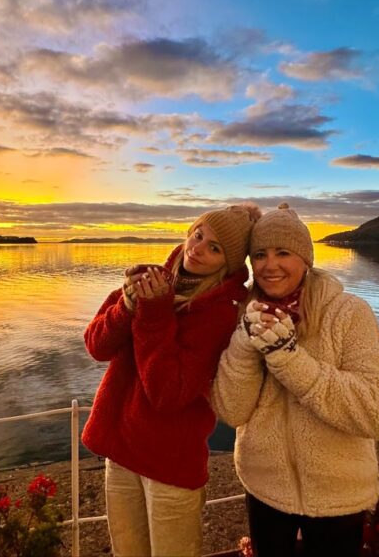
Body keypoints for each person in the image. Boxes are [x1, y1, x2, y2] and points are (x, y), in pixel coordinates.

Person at [211, 203, 379, 557]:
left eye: (283, 252)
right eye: (261, 254)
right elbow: (233, 411)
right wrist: (243, 342)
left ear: (305, 260)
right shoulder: (245, 315)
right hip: (264, 487)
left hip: (339, 494)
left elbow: (377, 412)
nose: (270, 265)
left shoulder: (348, 314)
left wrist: (288, 358)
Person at [82, 204, 261, 557]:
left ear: (230, 262)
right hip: (121, 453)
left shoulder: (222, 312)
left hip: (170, 465)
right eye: (199, 235)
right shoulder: (153, 282)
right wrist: (127, 306)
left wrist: (151, 313)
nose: (198, 248)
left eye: (215, 248)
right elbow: (96, 346)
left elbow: (167, 393)